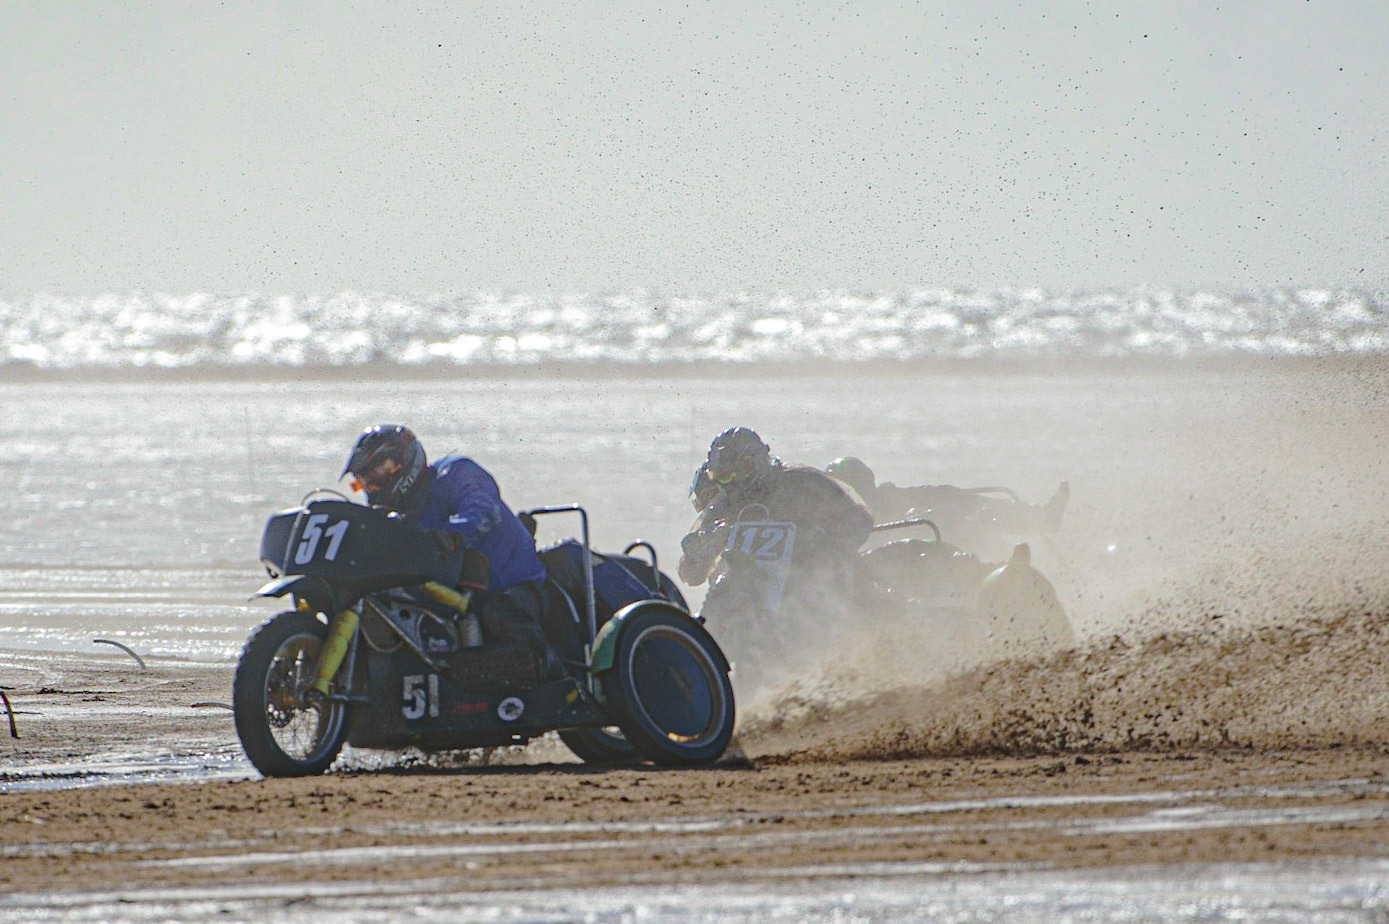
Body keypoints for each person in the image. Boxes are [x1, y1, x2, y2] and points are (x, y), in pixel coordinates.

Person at [342, 424, 562, 678]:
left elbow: (482, 508)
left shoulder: (454, 473)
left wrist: (452, 535)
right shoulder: (391, 518)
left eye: (378, 473)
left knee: (504, 626)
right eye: (365, 481)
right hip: (446, 600)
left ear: (404, 462)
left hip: (509, 587)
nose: (372, 486)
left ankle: (559, 682)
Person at [678, 427, 873, 586]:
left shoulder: (803, 482)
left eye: (742, 470)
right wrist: (703, 548)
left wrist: (821, 546)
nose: (734, 481)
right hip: (742, 596)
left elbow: (860, 520)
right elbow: (690, 576)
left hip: (813, 584)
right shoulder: (723, 506)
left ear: (759, 461)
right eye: (724, 475)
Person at [824, 455, 1068, 542]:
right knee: (949, 515)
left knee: (957, 502)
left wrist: (952, 498)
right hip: (897, 565)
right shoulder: (834, 523)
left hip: (930, 547)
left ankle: (1039, 517)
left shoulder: (886, 497)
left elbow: (929, 494)